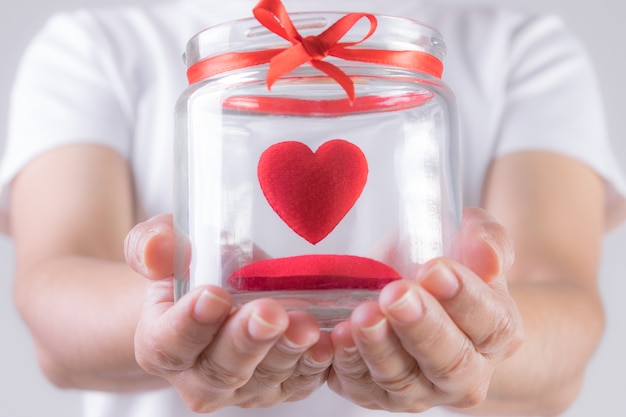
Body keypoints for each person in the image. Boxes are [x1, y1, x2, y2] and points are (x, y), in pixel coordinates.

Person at [1, 0, 625, 416]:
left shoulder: (518, 42)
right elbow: (54, 299)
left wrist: (477, 328)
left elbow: (564, 309)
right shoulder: (95, 43)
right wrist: (172, 311)